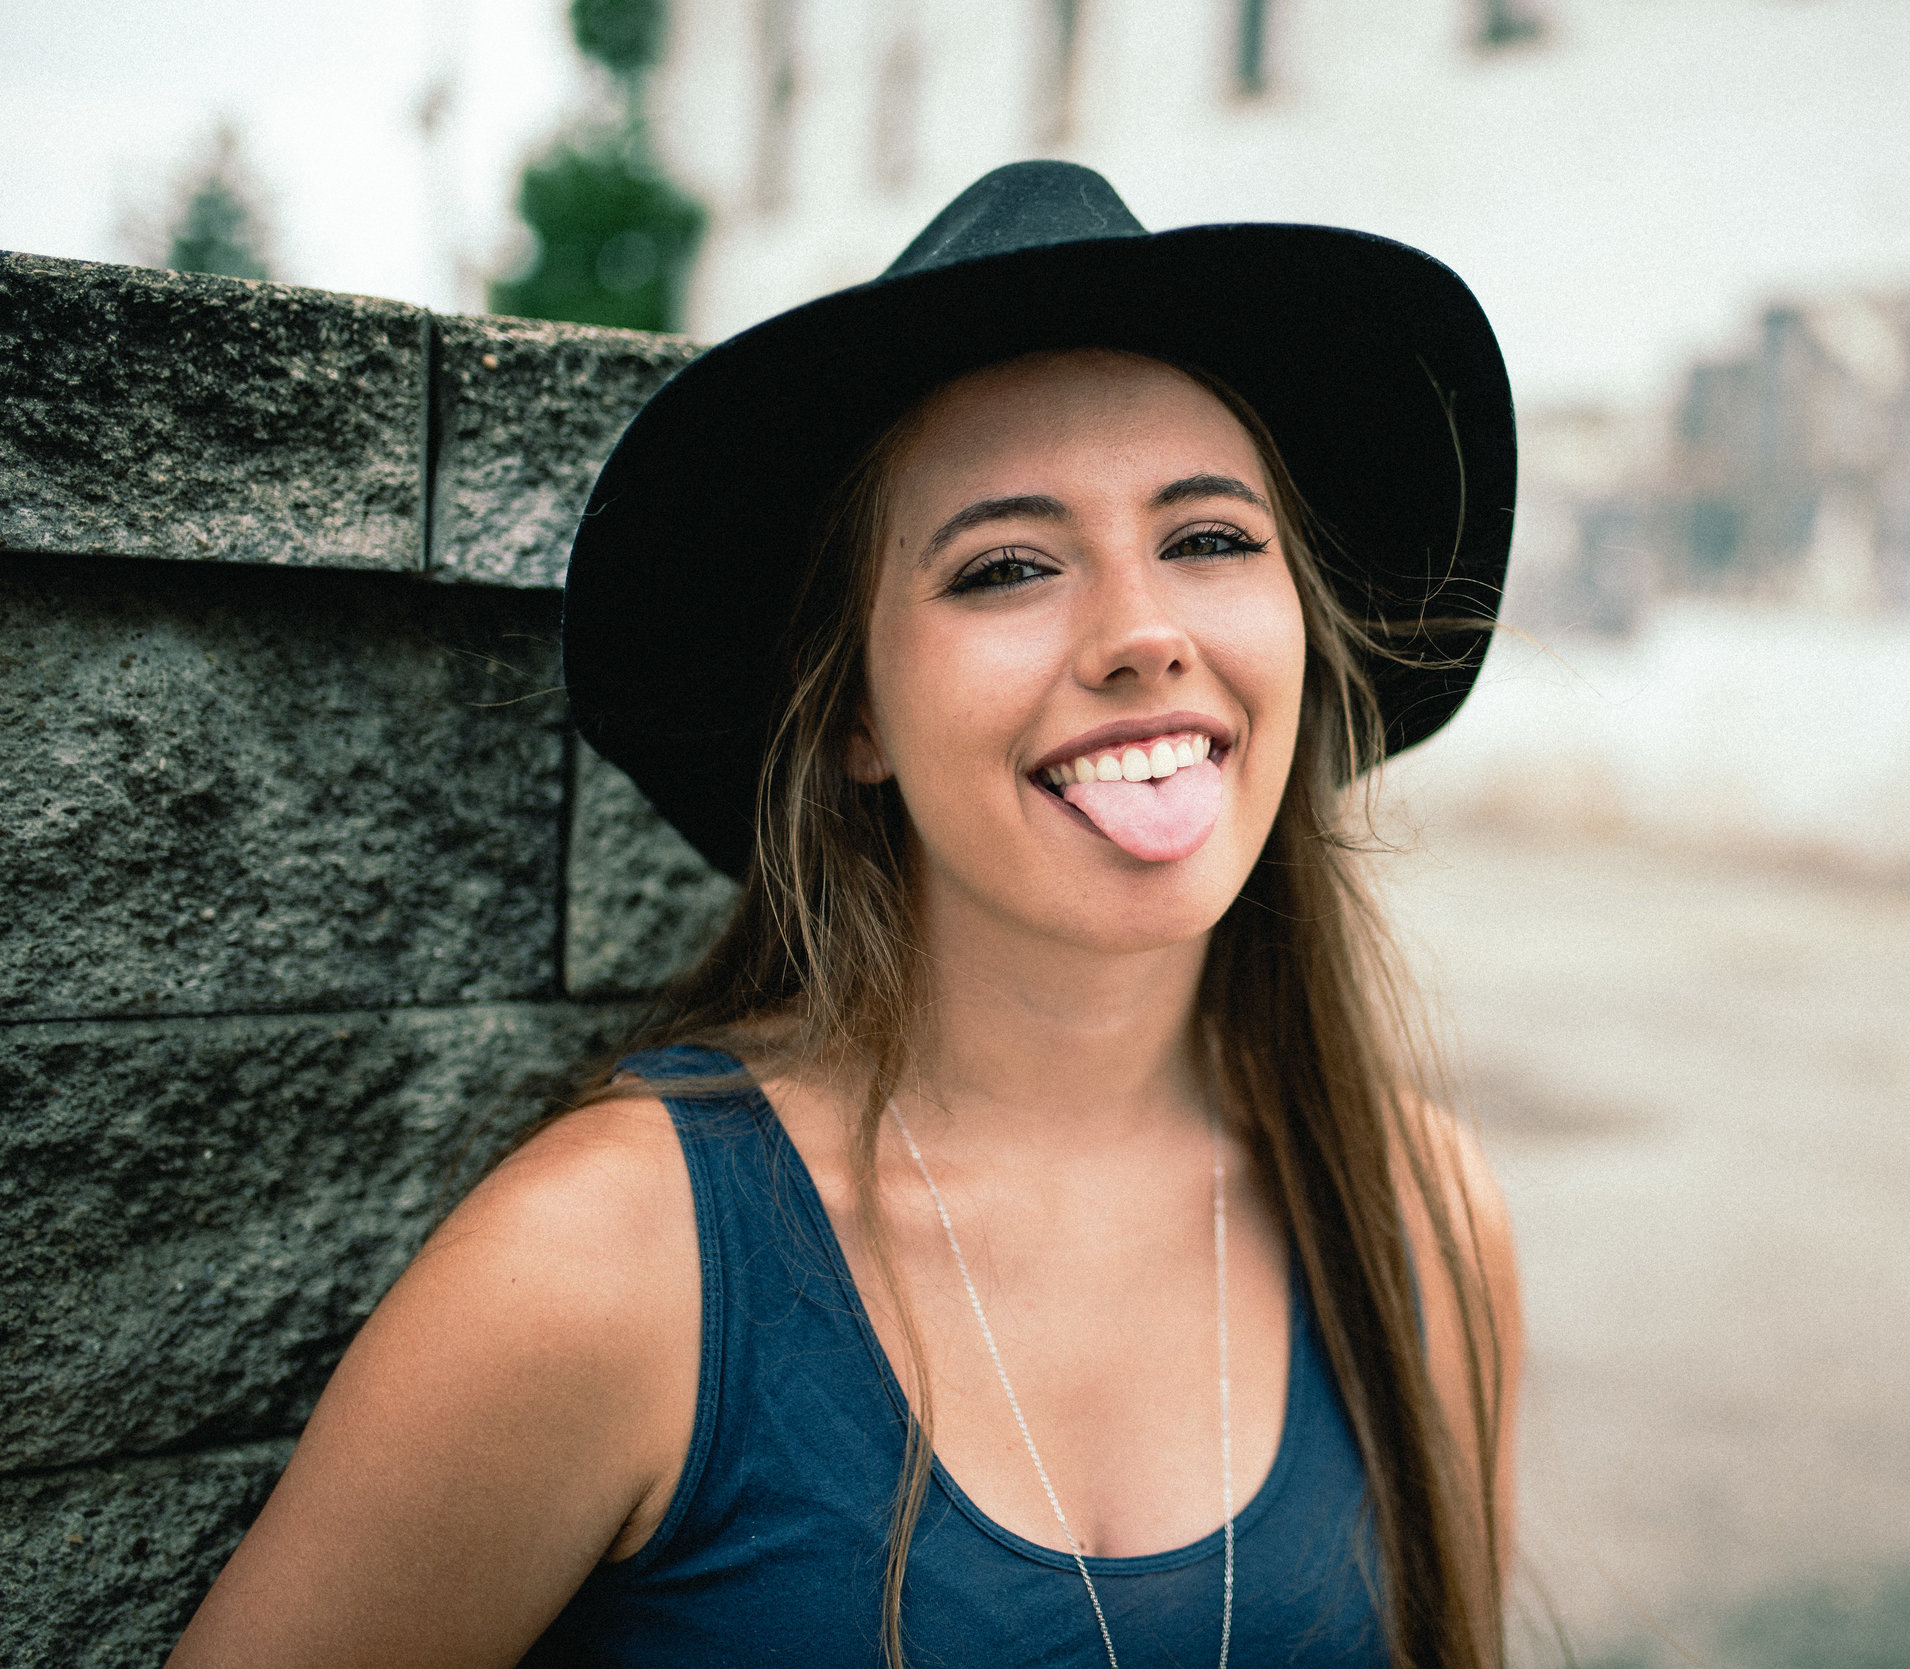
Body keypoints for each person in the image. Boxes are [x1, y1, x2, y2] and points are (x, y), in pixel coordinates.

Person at [171, 161, 1522, 1669]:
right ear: (855, 713)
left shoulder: (1418, 1214)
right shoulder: (607, 1267)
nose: (1144, 634)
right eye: (1007, 566)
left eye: (1210, 538)